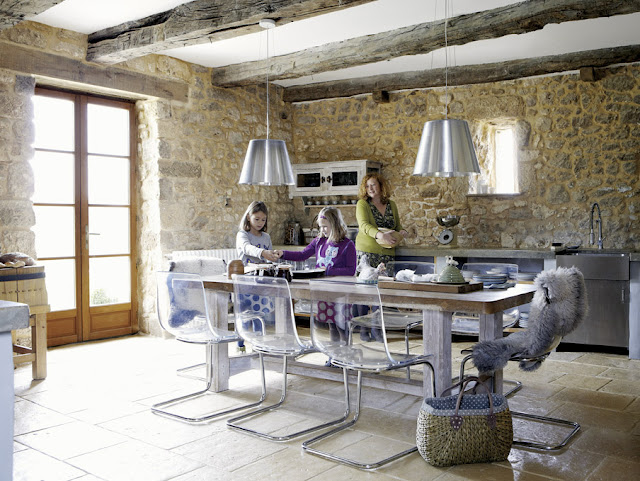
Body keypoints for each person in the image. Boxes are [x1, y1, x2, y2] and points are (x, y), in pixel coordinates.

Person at [276, 207, 356, 365]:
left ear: (335, 224)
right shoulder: (319, 241)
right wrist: (283, 254)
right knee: (332, 326)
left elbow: (351, 270)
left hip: (341, 293)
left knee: (342, 326)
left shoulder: (348, 245)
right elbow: (302, 255)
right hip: (323, 292)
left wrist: (327, 271)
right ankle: (335, 356)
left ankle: (346, 356)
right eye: (320, 226)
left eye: (325, 226)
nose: (322, 230)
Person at [355, 172, 408, 341]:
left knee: (382, 292)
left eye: (373, 185)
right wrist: (380, 235)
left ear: (381, 186)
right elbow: (364, 226)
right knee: (364, 292)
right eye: (367, 186)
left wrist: (402, 232)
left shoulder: (391, 205)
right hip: (367, 253)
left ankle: (377, 329)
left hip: (387, 254)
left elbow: (397, 226)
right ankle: (363, 329)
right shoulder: (362, 204)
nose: (370, 188)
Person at [235, 201, 281, 352]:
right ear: (248, 217)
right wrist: (263, 253)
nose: (260, 222)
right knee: (244, 317)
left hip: (261, 282)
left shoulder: (266, 237)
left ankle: (258, 346)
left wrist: (273, 257)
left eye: (263, 219)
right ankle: (240, 346)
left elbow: (269, 258)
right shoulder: (242, 235)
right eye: (257, 219)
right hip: (244, 282)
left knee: (259, 316)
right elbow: (247, 248)